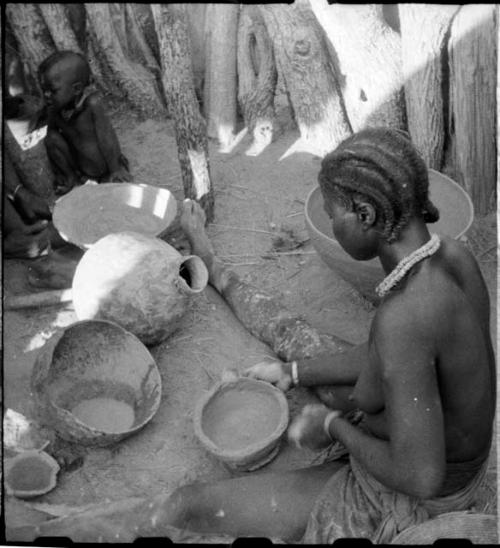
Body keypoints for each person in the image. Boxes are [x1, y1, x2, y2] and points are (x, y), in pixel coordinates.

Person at [19, 128, 495, 544]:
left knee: (188, 507)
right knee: (295, 339)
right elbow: (386, 357)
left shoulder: (406, 315)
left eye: (334, 214)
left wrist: (331, 428)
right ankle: (219, 269)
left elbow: (421, 475)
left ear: (366, 214)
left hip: (412, 497)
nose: (329, 224)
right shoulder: (453, 258)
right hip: (434, 450)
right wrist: (290, 372)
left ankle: (31, 536)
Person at [37, 50, 132, 195]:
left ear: (77, 89)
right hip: (82, 169)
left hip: (104, 166)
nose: (47, 96)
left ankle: (115, 172)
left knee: (116, 184)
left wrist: (115, 168)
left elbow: (107, 137)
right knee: (51, 138)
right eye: (44, 91)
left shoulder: (92, 105)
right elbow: (52, 141)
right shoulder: (55, 109)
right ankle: (71, 178)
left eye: (53, 91)